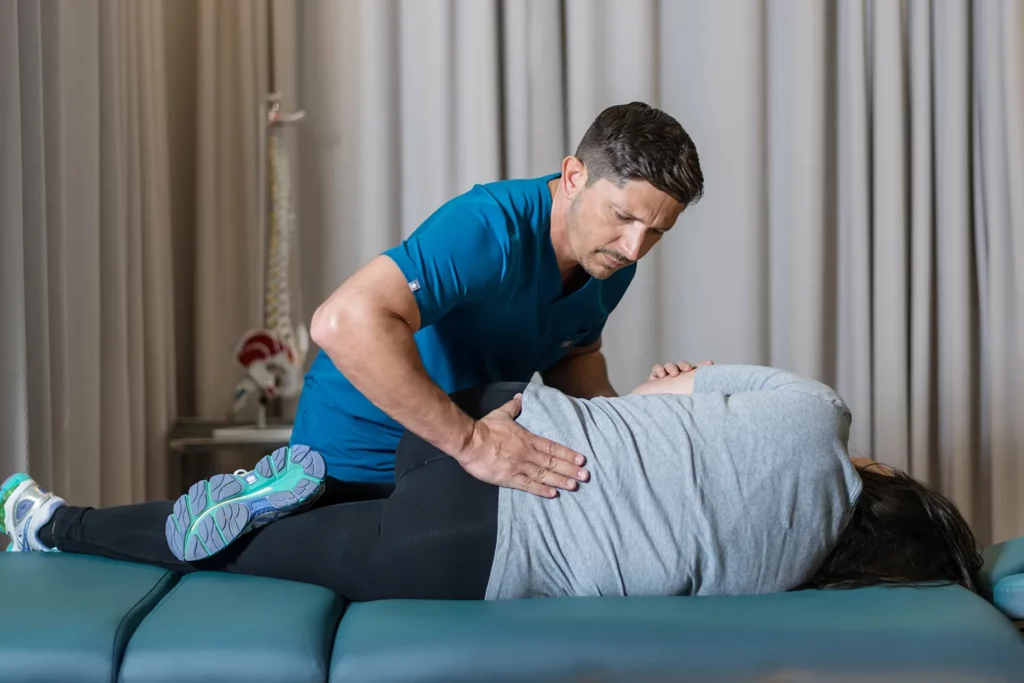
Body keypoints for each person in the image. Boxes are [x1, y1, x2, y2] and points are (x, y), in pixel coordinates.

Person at [2, 363, 982, 601]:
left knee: (347, 485)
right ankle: (49, 523)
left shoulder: (816, 411)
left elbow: (665, 386)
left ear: (880, 472)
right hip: (475, 555)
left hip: (492, 422)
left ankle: (316, 485)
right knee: (242, 546)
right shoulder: (780, 581)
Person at [293, 101, 706, 500]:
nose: (634, 249)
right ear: (574, 177)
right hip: (347, 462)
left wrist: (644, 412)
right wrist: (474, 444)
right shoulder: (488, 228)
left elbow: (572, 356)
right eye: (622, 217)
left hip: (443, 464)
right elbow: (342, 321)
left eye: (656, 232)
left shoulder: (611, 259)